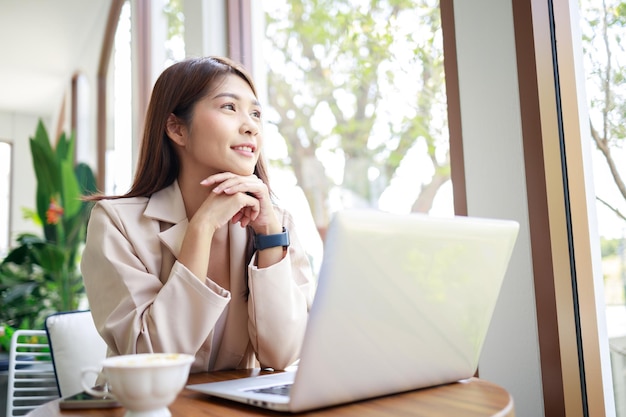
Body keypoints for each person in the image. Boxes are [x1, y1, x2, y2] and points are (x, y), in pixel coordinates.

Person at [81, 56, 316, 373]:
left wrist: (270, 237)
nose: (251, 126)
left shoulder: (276, 222)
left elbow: (283, 354)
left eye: (256, 113)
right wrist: (202, 227)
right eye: (229, 107)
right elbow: (150, 356)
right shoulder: (116, 222)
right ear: (177, 128)